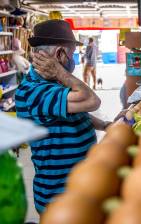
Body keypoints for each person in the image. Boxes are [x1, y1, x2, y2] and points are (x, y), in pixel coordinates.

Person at [15, 20, 111, 214]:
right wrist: (60, 71)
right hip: (59, 197)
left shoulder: (53, 82)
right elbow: (92, 100)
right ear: (59, 54)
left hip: (76, 189)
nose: (73, 59)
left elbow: (73, 112)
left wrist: (104, 125)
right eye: (71, 53)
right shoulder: (35, 91)